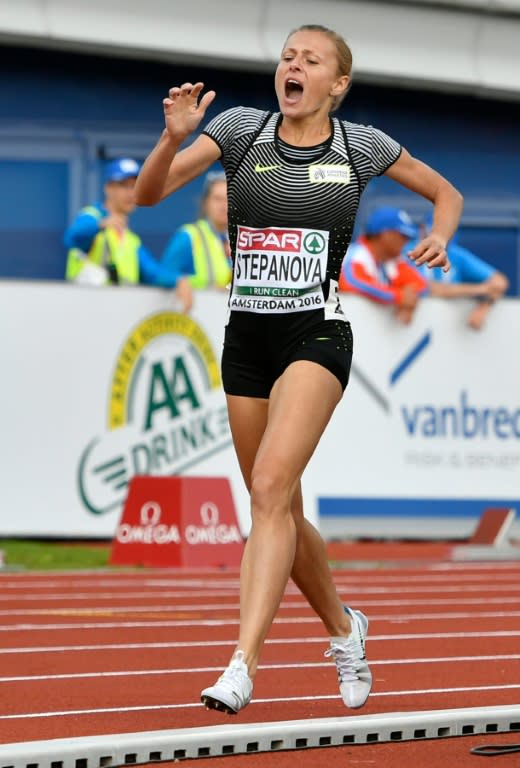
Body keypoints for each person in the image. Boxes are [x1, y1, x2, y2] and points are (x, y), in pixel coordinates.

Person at [135, 23, 463, 715]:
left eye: (311, 60)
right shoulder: (236, 131)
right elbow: (146, 197)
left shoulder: (362, 146)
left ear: (336, 84)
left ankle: (241, 665)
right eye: (288, 56)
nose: (294, 66)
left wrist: (440, 236)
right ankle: (346, 629)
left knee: (270, 485)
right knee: (279, 506)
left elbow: (447, 193)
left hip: (317, 333)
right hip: (246, 338)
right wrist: (172, 136)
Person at [64, 157, 183, 300]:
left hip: (120, 312)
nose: (130, 193)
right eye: (123, 185)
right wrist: (100, 224)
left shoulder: (132, 240)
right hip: (85, 308)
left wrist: (179, 280)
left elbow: (152, 273)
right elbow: (72, 238)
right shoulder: (92, 216)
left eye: (134, 186)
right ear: (108, 188)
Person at [408, 214, 509, 330]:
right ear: (422, 230)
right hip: (415, 323)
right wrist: (481, 290)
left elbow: (500, 282)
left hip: (450, 327)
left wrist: (484, 306)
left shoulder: (456, 253)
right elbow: (429, 288)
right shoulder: (409, 251)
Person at [339, 206, 429, 325]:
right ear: (386, 234)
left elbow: (423, 285)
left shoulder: (391, 260)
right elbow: (350, 282)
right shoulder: (357, 254)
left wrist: (407, 293)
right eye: (403, 236)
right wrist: (399, 296)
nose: (406, 241)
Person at [160, 170, 232, 312]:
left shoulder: (243, 240)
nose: (224, 206)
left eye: (229, 199)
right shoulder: (189, 236)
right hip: (199, 316)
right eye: (217, 199)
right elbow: (163, 274)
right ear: (206, 203)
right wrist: (181, 281)